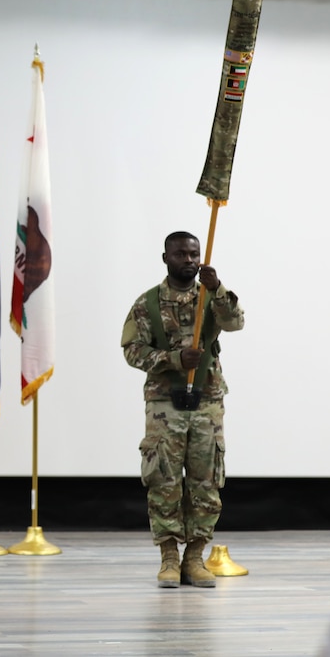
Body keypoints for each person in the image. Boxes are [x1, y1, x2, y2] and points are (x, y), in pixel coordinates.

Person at [121, 231, 245, 588]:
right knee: (164, 480)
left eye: (194, 254)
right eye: (180, 254)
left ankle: (195, 557)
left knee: (205, 480)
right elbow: (132, 350)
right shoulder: (147, 304)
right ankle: (169, 558)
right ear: (166, 258)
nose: (189, 260)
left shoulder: (210, 297)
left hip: (207, 401)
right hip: (164, 404)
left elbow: (235, 322)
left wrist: (218, 287)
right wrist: (172, 358)